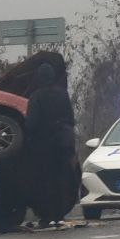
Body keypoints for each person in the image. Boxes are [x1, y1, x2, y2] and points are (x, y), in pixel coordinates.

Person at [24, 63, 79, 229]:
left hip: (43, 146)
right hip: (63, 145)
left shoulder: (36, 97)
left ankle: (46, 216)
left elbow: (31, 123)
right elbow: (71, 119)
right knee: (62, 179)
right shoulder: (63, 95)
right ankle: (59, 214)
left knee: (44, 180)